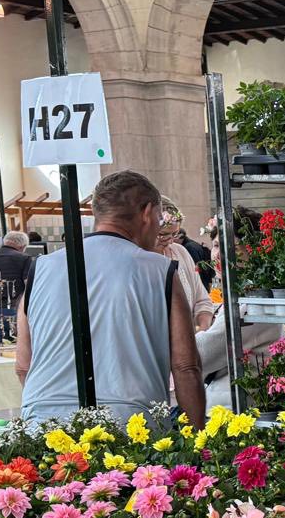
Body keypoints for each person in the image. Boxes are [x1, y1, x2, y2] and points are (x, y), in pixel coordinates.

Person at [17, 170, 205, 427]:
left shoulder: (41, 268)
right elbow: (185, 366)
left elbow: (23, 365)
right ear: (148, 213)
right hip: (132, 424)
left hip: (43, 422)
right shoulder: (159, 269)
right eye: (160, 219)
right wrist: (197, 438)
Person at [159, 199, 215, 331]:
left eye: (174, 234)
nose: (171, 240)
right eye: (163, 235)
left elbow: (202, 300)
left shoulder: (180, 252)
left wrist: (202, 327)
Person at [0, 230, 34, 342]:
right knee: (18, 343)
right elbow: (29, 286)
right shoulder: (25, 258)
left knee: (0, 344)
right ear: (22, 246)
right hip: (18, 311)